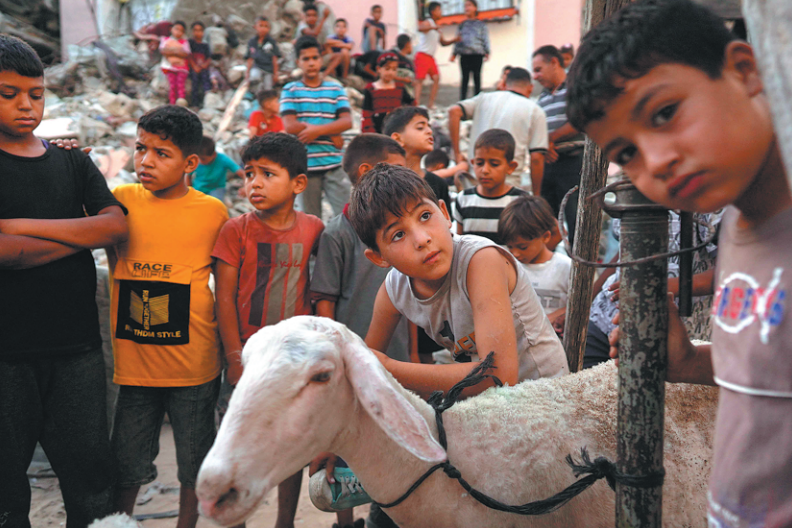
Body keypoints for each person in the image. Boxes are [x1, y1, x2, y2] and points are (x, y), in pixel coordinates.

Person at [566, 0, 792, 525]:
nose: (657, 160)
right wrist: (688, 361)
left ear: (745, 70)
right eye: (627, 154)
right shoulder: (737, 228)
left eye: (665, 113)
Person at [0, 35, 127, 528]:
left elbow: (115, 226)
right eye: (9, 93)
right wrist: (80, 236)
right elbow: (7, 257)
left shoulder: (72, 160)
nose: (26, 105)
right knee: (7, 493)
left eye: (36, 94)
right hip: (6, 356)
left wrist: (18, 228)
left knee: (92, 481)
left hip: (77, 350)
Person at [347, 164, 569, 397]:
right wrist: (370, 365)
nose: (422, 239)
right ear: (379, 258)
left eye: (425, 216)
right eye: (398, 234)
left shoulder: (481, 260)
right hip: (486, 404)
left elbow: (499, 377)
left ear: (445, 213)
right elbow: (364, 364)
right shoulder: (395, 289)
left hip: (545, 396)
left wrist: (388, 368)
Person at [108, 105, 228, 528]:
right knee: (125, 464)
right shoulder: (121, 201)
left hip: (194, 368)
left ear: (190, 163)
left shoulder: (212, 212)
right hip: (135, 369)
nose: (146, 161)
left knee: (195, 466)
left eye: (162, 153)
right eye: (141, 148)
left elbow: (225, 287)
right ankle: (117, 523)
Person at [213, 133, 324, 528]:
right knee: (237, 445)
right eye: (249, 174)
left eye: (267, 174)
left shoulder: (314, 228)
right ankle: (237, 521)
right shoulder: (236, 230)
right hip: (246, 355)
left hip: (292, 359)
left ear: (298, 183)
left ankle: (284, 522)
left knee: (290, 445)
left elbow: (320, 290)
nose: (254, 184)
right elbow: (224, 298)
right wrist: (234, 359)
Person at [309, 134, 411, 528]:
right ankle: (345, 521)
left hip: (395, 355)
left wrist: (413, 356)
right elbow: (325, 299)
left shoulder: (396, 233)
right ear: (368, 173)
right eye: (396, 169)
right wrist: (334, 355)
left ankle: (389, 513)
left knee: (390, 438)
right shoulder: (337, 232)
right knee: (347, 442)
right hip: (351, 356)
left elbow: (410, 299)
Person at [583, 211, 720, 368]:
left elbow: (729, 271)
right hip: (603, 319)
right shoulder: (628, 197)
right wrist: (585, 303)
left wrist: (656, 287)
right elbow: (623, 250)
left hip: (672, 336)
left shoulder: (706, 207)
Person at [281, 36, 353, 218]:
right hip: (306, 167)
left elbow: (347, 122)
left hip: (334, 164)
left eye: (315, 58)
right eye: (306, 59)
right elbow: (290, 126)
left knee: (349, 217)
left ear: (321, 60)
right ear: (298, 62)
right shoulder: (291, 90)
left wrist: (316, 131)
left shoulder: (335, 89)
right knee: (310, 222)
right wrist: (331, 132)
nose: (311, 63)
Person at [449, 67, 548, 191]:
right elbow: (536, 158)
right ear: (531, 88)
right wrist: (537, 195)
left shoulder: (484, 98)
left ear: (505, 84)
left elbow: (454, 111)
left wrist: (457, 153)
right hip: (508, 186)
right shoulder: (534, 111)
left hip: (476, 182)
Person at [532, 44, 586, 243]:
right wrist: (545, 147)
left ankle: (579, 261)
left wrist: (549, 139)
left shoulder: (576, 86)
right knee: (546, 222)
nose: (535, 76)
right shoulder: (543, 97)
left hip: (573, 163)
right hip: (549, 163)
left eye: (538, 70)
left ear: (554, 62)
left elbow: (580, 121)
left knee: (576, 220)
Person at [499, 195, 572, 336]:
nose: (516, 253)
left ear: (545, 237)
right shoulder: (508, 267)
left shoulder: (565, 267)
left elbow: (580, 304)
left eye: (523, 247)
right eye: (510, 247)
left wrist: (556, 316)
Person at [453, 129, 526, 244]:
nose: (485, 170)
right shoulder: (464, 199)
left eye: (494, 164)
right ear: (473, 163)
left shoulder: (521, 201)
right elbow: (460, 243)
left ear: (511, 167)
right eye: (479, 163)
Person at [383, 106, 450, 212]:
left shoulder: (438, 184)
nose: (429, 131)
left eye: (429, 126)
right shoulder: (384, 185)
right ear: (398, 138)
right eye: (420, 128)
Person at [414, 2, 459, 108]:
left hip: (430, 57)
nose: (441, 12)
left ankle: (431, 104)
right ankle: (416, 104)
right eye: (439, 10)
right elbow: (420, 28)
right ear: (433, 12)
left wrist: (454, 40)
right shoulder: (428, 22)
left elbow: (443, 43)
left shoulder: (438, 28)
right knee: (419, 80)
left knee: (436, 78)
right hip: (422, 55)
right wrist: (432, 28)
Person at [361, 53, 414, 134]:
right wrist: (370, 132)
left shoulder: (399, 88)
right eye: (387, 69)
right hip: (377, 131)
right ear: (378, 69)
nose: (390, 72)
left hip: (396, 129)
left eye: (394, 69)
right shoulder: (371, 89)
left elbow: (411, 104)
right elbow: (366, 112)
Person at [451, 0, 490, 100]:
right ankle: (463, 101)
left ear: (475, 8)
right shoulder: (462, 25)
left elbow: (485, 38)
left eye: (469, 5)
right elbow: (457, 39)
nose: (467, 8)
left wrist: (487, 51)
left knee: (477, 78)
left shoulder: (481, 25)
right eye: (465, 6)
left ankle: (477, 100)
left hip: (477, 55)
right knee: (465, 79)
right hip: (464, 55)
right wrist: (454, 53)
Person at [188, 136, 245, 201]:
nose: (200, 161)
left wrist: (245, 187)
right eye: (198, 158)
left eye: (203, 159)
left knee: (215, 203)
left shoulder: (223, 159)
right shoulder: (195, 161)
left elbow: (242, 173)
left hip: (216, 188)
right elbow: (187, 176)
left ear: (214, 154)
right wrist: (189, 190)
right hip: (198, 188)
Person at [156, 21, 192, 105]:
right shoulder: (165, 40)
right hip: (169, 67)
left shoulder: (185, 42)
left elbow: (186, 54)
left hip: (182, 68)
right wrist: (177, 51)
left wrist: (172, 50)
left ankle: (181, 104)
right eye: (176, 29)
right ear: (171, 29)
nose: (178, 32)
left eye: (181, 30)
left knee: (180, 85)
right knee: (172, 86)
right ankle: (172, 104)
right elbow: (164, 51)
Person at [245, 16, 281, 91]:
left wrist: (275, 73)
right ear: (255, 27)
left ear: (269, 28)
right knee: (255, 79)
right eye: (261, 26)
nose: (263, 29)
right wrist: (247, 73)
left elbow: (274, 58)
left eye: (266, 26)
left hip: (268, 69)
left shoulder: (271, 42)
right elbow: (250, 58)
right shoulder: (252, 42)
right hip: (257, 67)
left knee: (268, 88)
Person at [188, 22, 211, 108]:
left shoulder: (205, 45)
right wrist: (194, 66)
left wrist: (204, 65)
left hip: (203, 68)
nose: (198, 32)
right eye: (195, 30)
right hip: (193, 68)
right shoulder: (190, 43)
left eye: (200, 30)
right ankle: (195, 104)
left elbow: (209, 58)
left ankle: (208, 100)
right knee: (195, 80)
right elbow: (189, 55)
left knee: (206, 78)